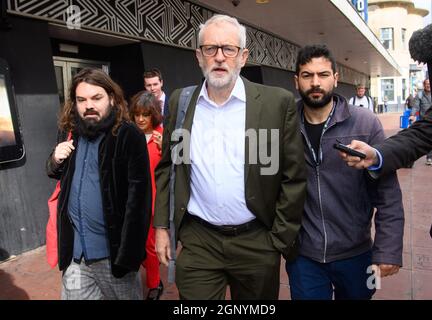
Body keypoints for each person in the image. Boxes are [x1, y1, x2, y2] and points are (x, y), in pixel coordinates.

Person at [153, 14, 307, 300]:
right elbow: (167, 169)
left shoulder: (276, 103)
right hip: (200, 241)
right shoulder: (181, 102)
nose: (219, 57)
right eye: (210, 49)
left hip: (257, 241)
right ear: (199, 56)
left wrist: (277, 239)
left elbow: (293, 176)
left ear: (243, 56)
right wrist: (162, 228)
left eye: (229, 49)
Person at [286, 45, 404, 300]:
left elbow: (388, 193)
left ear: (336, 78)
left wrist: (388, 250)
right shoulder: (285, 124)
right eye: (307, 75)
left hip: (357, 252)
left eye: (323, 74)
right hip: (304, 255)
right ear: (297, 81)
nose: (315, 82)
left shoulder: (366, 123)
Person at [46, 68, 151, 300]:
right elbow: (54, 171)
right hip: (76, 255)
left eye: (96, 98)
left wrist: (128, 258)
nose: (88, 105)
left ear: (111, 98)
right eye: (81, 100)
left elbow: (140, 202)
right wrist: (55, 159)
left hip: (113, 258)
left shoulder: (128, 135)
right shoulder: (69, 131)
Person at [340, 103, 432, 254]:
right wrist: (376, 155)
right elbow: (424, 133)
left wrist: (388, 248)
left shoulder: (367, 121)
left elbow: (387, 196)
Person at [129, 91, 164, 300]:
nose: (141, 119)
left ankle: (154, 283)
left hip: (153, 203)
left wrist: (166, 148)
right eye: (137, 114)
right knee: (136, 244)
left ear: (153, 115)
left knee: (150, 246)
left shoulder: (162, 135)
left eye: (146, 115)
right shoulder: (130, 135)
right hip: (132, 202)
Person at [409, 79, 432, 168]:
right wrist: (412, 115)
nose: (428, 85)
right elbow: (415, 106)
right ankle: (429, 158)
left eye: (429, 84)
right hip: (425, 121)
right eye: (426, 84)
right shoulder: (420, 95)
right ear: (424, 85)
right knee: (428, 139)